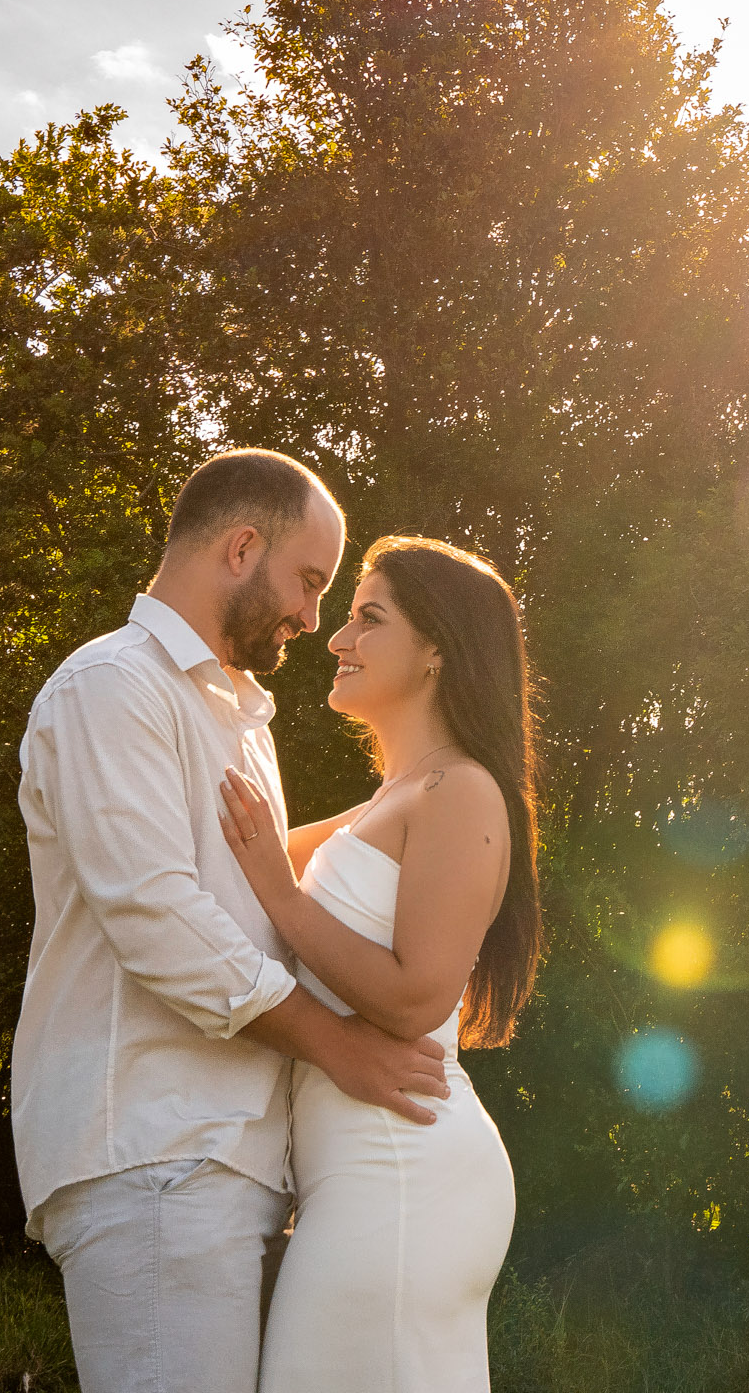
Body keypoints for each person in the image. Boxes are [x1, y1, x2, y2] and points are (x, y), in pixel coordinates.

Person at [12, 450, 452, 1393]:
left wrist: (426, 797)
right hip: (154, 1148)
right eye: (307, 581)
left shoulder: (240, 720)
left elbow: (269, 888)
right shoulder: (113, 687)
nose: (309, 616)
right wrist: (337, 1046)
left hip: (230, 1159)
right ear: (241, 547)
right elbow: (159, 919)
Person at [216, 534, 544, 1393]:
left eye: (369, 618)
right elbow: (226, 863)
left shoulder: (461, 792)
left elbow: (416, 997)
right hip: (353, 1177)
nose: (336, 639)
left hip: (404, 1173)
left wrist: (285, 903)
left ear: (437, 649)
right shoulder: (386, 802)